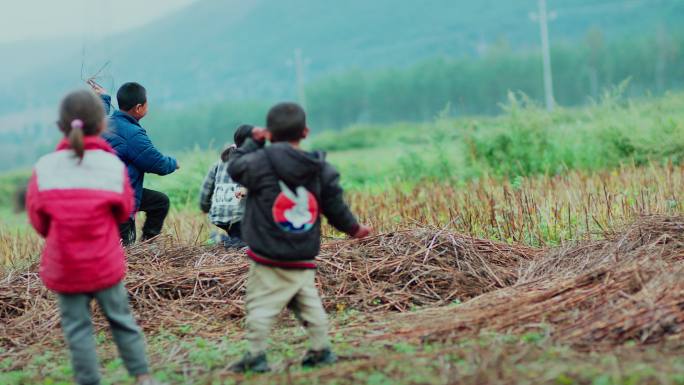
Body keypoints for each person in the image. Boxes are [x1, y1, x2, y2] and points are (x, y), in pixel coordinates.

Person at [25, 89, 163, 385]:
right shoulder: (111, 165)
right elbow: (124, 210)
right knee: (122, 321)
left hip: (65, 266)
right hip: (104, 263)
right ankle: (143, 377)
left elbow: (39, 220)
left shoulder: (45, 167)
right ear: (102, 125)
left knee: (77, 329)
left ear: (62, 125)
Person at [227, 102, 371, 373]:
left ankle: (256, 356)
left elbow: (234, 167)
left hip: (268, 254)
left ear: (268, 134)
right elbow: (335, 207)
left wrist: (251, 144)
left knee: (260, 304)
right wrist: (354, 229)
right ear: (305, 132)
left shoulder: (259, 162)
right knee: (308, 302)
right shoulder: (320, 168)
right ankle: (321, 349)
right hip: (302, 253)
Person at [89, 80, 178, 245]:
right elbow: (156, 163)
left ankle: (148, 244)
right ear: (138, 108)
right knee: (125, 252)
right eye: (146, 103)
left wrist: (103, 98)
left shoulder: (103, 125)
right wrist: (173, 163)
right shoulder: (133, 134)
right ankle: (135, 253)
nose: (147, 106)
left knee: (159, 202)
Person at [199, 124, 259, 248]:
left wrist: (206, 207)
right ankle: (220, 240)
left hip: (219, 215)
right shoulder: (250, 161)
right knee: (249, 244)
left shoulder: (219, 163)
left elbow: (205, 190)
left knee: (239, 237)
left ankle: (224, 240)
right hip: (239, 217)